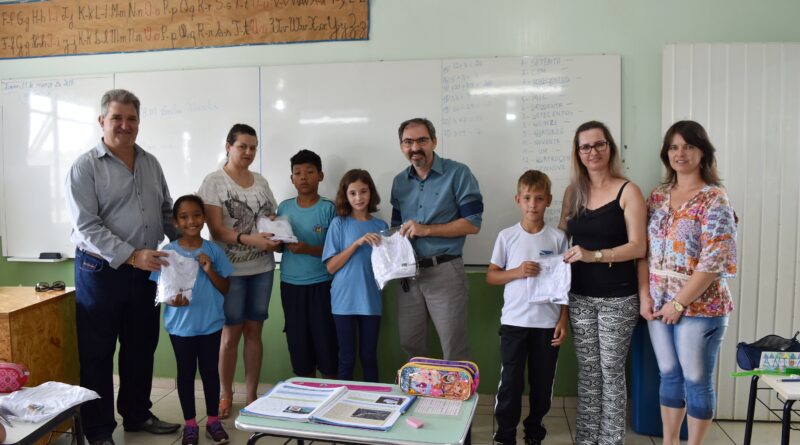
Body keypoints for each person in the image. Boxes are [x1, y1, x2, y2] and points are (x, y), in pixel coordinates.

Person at [65, 89, 181, 445]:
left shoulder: (150, 162)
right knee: (98, 354)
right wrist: (132, 255)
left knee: (140, 346)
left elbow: (165, 209)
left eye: (131, 119)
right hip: (100, 271)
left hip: (146, 270)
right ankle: (98, 430)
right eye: (117, 118)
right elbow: (87, 226)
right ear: (102, 121)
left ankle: (136, 413)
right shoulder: (85, 167)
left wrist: (187, 243)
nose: (125, 125)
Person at [638, 121, 736, 445]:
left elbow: (714, 261)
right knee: (669, 375)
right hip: (658, 303)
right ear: (667, 154)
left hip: (700, 307)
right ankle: (669, 441)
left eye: (689, 146)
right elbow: (643, 252)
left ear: (702, 152)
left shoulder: (714, 199)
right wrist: (645, 297)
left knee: (696, 380)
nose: (680, 153)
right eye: (674, 147)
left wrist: (679, 303)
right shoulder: (657, 196)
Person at [559, 121, 647, 445]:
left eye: (599, 145)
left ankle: (610, 440)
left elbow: (638, 247)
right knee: (589, 372)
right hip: (580, 297)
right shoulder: (573, 193)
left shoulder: (629, 191)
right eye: (585, 147)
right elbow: (562, 241)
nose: (592, 152)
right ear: (578, 153)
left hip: (618, 298)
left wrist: (593, 255)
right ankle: (586, 439)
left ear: (609, 147)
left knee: (610, 371)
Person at [197, 123, 280, 416]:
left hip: (262, 268)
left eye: (253, 147)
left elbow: (270, 216)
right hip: (228, 270)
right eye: (242, 146)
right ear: (228, 147)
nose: (248, 152)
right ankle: (225, 394)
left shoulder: (261, 181)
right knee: (230, 334)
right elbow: (217, 230)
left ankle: (252, 395)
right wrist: (250, 238)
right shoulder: (214, 182)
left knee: (254, 330)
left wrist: (277, 231)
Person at [486, 170, 570, 445]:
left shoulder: (558, 238)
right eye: (527, 198)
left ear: (548, 200)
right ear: (518, 200)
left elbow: (563, 284)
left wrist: (563, 319)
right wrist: (517, 272)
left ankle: (534, 434)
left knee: (542, 385)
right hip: (514, 323)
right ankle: (505, 435)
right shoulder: (506, 236)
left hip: (546, 325)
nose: (532, 204)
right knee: (510, 383)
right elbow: (492, 276)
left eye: (539, 198)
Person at [390, 117, 483, 361]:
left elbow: (473, 224)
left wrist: (426, 230)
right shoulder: (399, 182)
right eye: (408, 142)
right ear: (401, 146)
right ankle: (423, 398)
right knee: (410, 344)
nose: (415, 148)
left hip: (445, 270)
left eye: (422, 140)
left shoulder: (458, 173)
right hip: (408, 275)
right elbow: (396, 227)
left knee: (453, 348)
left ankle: (456, 400)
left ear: (434, 141)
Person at [149, 195, 234, 445]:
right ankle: (189, 425)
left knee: (210, 372)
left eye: (197, 215)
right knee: (185, 374)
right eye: (184, 217)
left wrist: (210, 270)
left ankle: (213, 421)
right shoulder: (167, 253)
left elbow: (225, 287)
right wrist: (171, 300)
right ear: (175, 222)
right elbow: (160, 292)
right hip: (181, 327)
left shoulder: (213, 250)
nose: (191, 221)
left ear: (204, 218)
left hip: (211, 324)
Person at [276, 149, 339, 379]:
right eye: (298, 172)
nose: (303, 177)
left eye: (310, 172)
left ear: (320, 176)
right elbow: (278, 246)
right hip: (290, 286)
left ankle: (331, 392)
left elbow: (336, 252)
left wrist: (308, 249)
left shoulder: (329, 209)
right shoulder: (283, 208)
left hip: (323, 285)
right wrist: (273, 238)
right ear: (291, 178)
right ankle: (305, 394)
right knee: (298, 342)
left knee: (326, 341)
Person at [322, 169, 388, 382]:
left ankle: (373, 407)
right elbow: (331, 267)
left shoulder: (381, 226)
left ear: (371, 193)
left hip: (371, 298)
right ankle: (340, 408)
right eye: (353, 193)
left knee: (369, 356)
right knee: (347, 358)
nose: (359, 198)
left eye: (363, 191)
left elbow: (387, 267)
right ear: (345, 195)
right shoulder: (338, 224)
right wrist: (357, 243)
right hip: (343, 300)